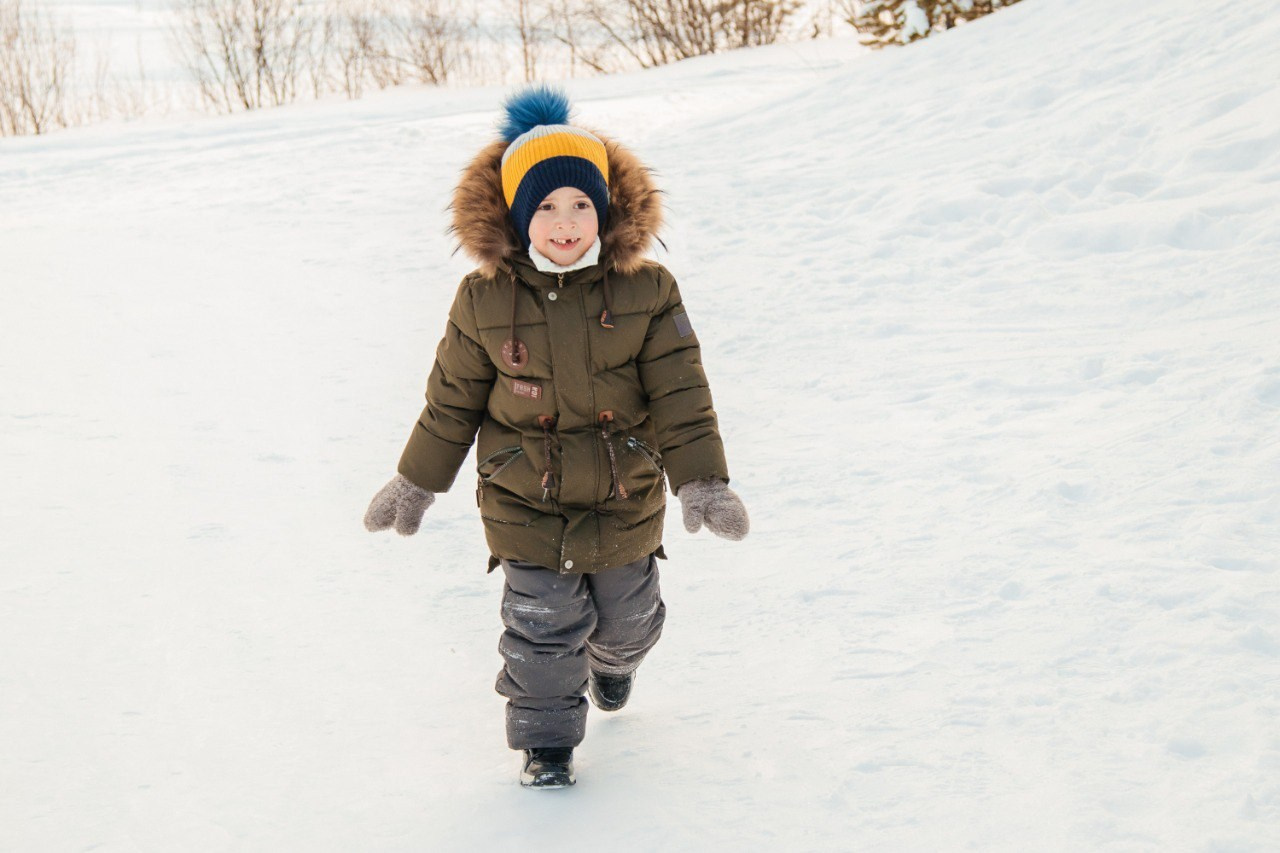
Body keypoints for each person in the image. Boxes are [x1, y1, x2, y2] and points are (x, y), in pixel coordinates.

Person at [364, 85, 749, 789]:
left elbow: (680, 392)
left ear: (604, 207)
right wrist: (416, 481)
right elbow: (450, 401)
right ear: (516, 216)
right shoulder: (483, 300)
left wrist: (701, 480)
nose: (565, 223)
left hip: (623, 492)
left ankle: (615, 663)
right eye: (544, 206)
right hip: (526, 499)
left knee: (627, 618)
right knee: (542, 626)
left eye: (580, 204)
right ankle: (546, 748)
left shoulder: (648, 289)